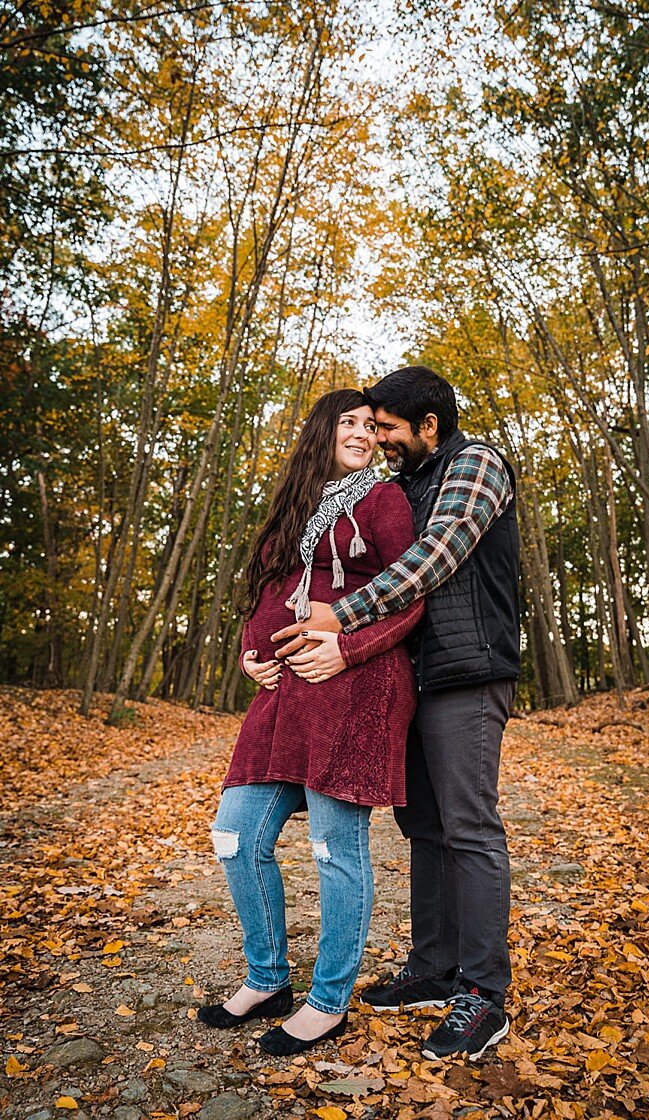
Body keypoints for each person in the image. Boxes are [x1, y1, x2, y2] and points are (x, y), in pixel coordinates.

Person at [271, 365, 521, 1061]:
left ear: (429, 426)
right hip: (413, 674)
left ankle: (483, 994)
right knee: (425, 826)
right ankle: (434, 969)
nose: (377, 438)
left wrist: (339, 617)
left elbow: (433, 559)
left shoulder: (476, 463)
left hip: (469, 670)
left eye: (387, 428)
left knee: (469, 825)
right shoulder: (405, 479)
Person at [201, 388, 425, 1056]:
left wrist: (349, 647)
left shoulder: (384, 502)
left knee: (334, 849)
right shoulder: (294, 511)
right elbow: (270, 595)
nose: (360, 433)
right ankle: (268, 978)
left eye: (368, 425)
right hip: (284, 695)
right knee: (235, 836)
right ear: (320, 433)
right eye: (346, 423)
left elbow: (410, 594)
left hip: (355, 686)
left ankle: (328, 1003)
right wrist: (250, 651)